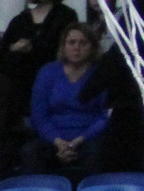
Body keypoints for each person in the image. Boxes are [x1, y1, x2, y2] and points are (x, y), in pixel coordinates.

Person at [25, 24, 112, 177]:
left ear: (92, 47)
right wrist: (58, 142)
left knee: (98, 153)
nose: (77, 47)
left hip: (89, 138)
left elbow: (105, 116)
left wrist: (79, 140)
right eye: (71, 42)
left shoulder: (102, 73)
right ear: (63, 46)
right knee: (31, 152)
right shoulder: (47, 72)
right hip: (53, 138)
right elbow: (39, 115)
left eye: (83, 43)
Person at [0, 0, 77, 111]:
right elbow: (3, 52)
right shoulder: (20, 19)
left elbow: (65, 50)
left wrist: (32, 48)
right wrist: (14, 48)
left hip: (55, 83)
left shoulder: (67, 15)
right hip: (22, 87)